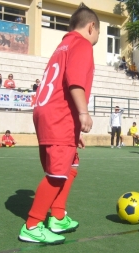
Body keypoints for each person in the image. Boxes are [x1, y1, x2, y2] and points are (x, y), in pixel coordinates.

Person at [18, 3, 99, 245]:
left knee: (71, 162)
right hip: (58, 115)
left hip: (46, 113)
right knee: (57, 173)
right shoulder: (82, 44)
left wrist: (73, 129)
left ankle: (58, 216)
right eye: (98, 34)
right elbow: (75, 81)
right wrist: (83, 113)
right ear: (91, 27)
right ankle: (32, 225)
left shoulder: (62, 46)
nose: (96, 39)